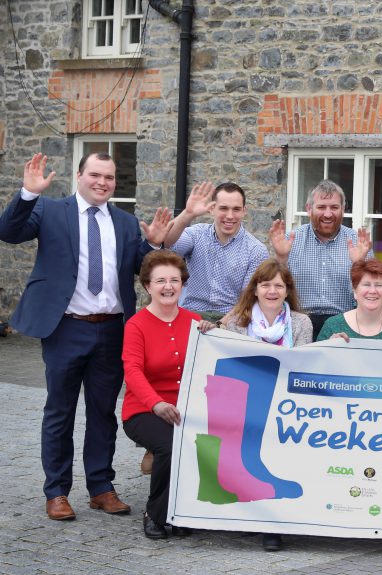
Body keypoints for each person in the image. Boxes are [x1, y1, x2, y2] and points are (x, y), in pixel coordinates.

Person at [0, 152, 172, 521]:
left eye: (109, 177)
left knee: (102, 413)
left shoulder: (125, 223)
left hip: (111, 330)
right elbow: (9, 232)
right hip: (65, 327)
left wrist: (154, 246)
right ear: (79, 175)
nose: (102, 182)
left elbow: (138, 267)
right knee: (60, 412)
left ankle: (101, 487)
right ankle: (57, 492)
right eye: (95, 174)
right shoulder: (50, 211)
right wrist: (27, 194)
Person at [210, 258, 312, 551]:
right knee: (248, 459)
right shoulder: (234, 322)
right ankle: (246, 513)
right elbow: (221, 357)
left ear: (287, 291)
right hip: (244, 401)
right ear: (255, 289)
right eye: (265, 284)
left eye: (278, 285)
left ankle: (272, 526)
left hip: (285, 402)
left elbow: (303, 363)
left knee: (277, 461)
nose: (272, 291)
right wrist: (208, 329)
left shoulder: (300, 323)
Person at [121, 251, 200, 539]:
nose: (168, 286)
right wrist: (155, 404)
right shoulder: (136, 325)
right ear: (147, 286)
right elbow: (132, 371)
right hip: (144, 409)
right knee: (170, 445)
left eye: (175, 280)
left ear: (182, 284)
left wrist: (211, 333)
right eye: (161, 281)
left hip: (187, 407)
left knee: (205, 441)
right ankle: (155, 513)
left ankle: (183, 510)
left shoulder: (195, 321)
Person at [269, 180, 371, 338]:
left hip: (343, 323)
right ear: (309, 209)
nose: (328, 214)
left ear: (343, 209)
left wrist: (358, 264)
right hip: (299, 323)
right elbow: (274, 290)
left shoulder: (358, 243)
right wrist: (281, 258)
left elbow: (369, 295)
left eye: (334, 207)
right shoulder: (290, 240)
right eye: (322, 207)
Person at [160, 181, 269, 321]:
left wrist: (220, 325)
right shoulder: (197, 234)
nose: (230, 216)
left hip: (230, 321)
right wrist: (188, 214)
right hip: (190, 315)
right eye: (223, 208)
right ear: (212, 209)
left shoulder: (256, 250)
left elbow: (247, 300)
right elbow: (168, 242)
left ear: (244, 211)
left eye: (236, 209)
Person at [317, 260, 382, 342]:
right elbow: (317, 365)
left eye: (379, 285)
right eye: (366, 285)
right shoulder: (333, 325)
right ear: (355, 291)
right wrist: (329, 347)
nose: (372, 291)